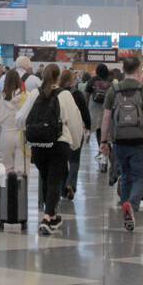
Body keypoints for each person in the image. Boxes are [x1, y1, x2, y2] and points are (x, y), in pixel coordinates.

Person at [17, 64, 82, 235]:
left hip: (38, 146)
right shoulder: (65, 95)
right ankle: (46, 218)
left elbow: (20, 117)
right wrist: (75, 143)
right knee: (54, 180)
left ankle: (53, 216)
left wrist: (32, 129)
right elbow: (75, 122)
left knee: (47, 179)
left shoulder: (34, 94)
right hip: (58, 144)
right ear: (58, 77)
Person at [98, 56, 143, 232]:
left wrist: (104, 141)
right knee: (142, 177)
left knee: (125, 175)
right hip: (141, 140)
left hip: (120, 141)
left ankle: (126, 209)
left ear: (123, 69)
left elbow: (106, 118)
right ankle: (131, 206)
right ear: (139, 69)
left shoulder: (114, 90)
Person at [59, 69, 92, 199]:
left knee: (61, 161)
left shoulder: (57, 93)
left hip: (60, 132)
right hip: (76, 130)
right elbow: (85, 112)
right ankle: (71, 184)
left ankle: (63, 190)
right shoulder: (77, 94)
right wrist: (88, 127)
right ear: (71, 80)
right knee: (74, 159)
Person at [0, 69, 27, 176]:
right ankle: (21, 191)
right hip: (21, 134)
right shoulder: (25, 97)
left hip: (6, 134)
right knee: (21, 169)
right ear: (19, 81)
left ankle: (10, 191)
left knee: (8, 169)